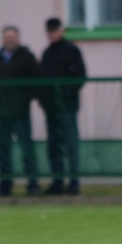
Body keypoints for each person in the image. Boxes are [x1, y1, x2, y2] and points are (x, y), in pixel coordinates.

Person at [0, 25, 40, 197]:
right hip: (0, 113)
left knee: (27, 149)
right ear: (3, 39)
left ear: (18, 38)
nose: (9, 39)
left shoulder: (27, 57)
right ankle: (5, 185)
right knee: (2, 151)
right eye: (7, 37)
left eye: (12, 36)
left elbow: (35, 82)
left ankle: (33, 184)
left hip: (20, 113)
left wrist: (24, 100)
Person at [38, 17, 87, 195]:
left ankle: (73, 182)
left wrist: (65, 93)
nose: (52, 34)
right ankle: (57, 182)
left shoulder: (69, 51)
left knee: (70, 145)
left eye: (54, 31)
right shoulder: (47, 53)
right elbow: (42, 79)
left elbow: (79, 76)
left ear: (61, 30)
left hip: (67, 107)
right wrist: (44, 100)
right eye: (49, 31)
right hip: (51, 108)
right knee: (54, 146)